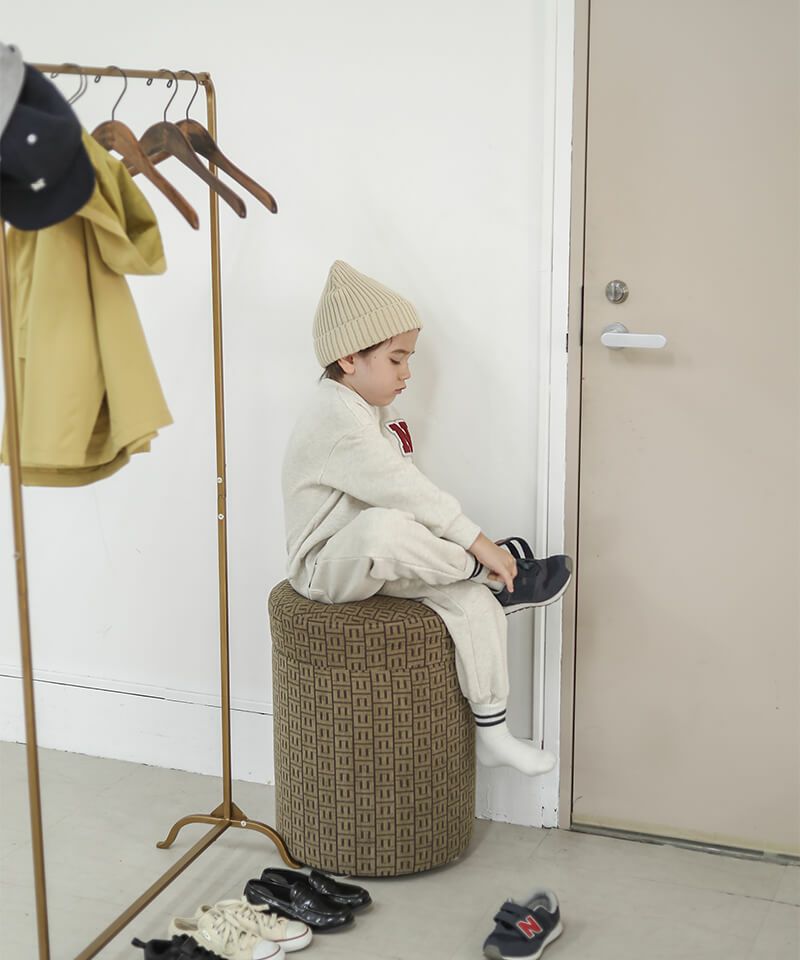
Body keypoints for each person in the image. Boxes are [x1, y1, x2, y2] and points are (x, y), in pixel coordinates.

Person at [280, 261, 572, 776]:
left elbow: (409, 494)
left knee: (469, 601)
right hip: (326, 566)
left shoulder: (375, 413)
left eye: (408, 359)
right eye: (396, 359)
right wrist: (479, 546)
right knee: (387, 530)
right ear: (349, 357)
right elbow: (405, 491)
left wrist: (457, 551)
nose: (407, 373)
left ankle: (494, 731)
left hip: (377, 560)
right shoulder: (335, 416)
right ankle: (494, 574)